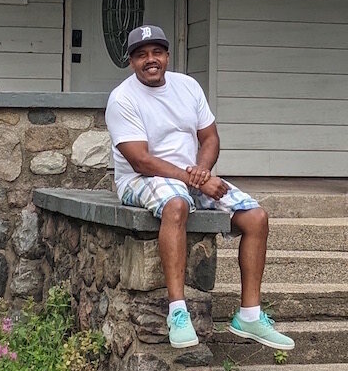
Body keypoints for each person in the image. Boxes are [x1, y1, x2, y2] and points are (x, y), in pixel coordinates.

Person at [105, 24, 295, 352]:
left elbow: (209, 138)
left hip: (190, 175)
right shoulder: (122, 99)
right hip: (142, 180)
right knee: (176, 205)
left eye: (156, 52)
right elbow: (142, 161)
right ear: (131, 62)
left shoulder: (188, 86)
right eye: (140, 55)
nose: (150, 60)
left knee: (255, 217)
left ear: (166, 55)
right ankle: (178, 312)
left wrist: (202, 172)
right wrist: (195, 180)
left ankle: (249, 315)